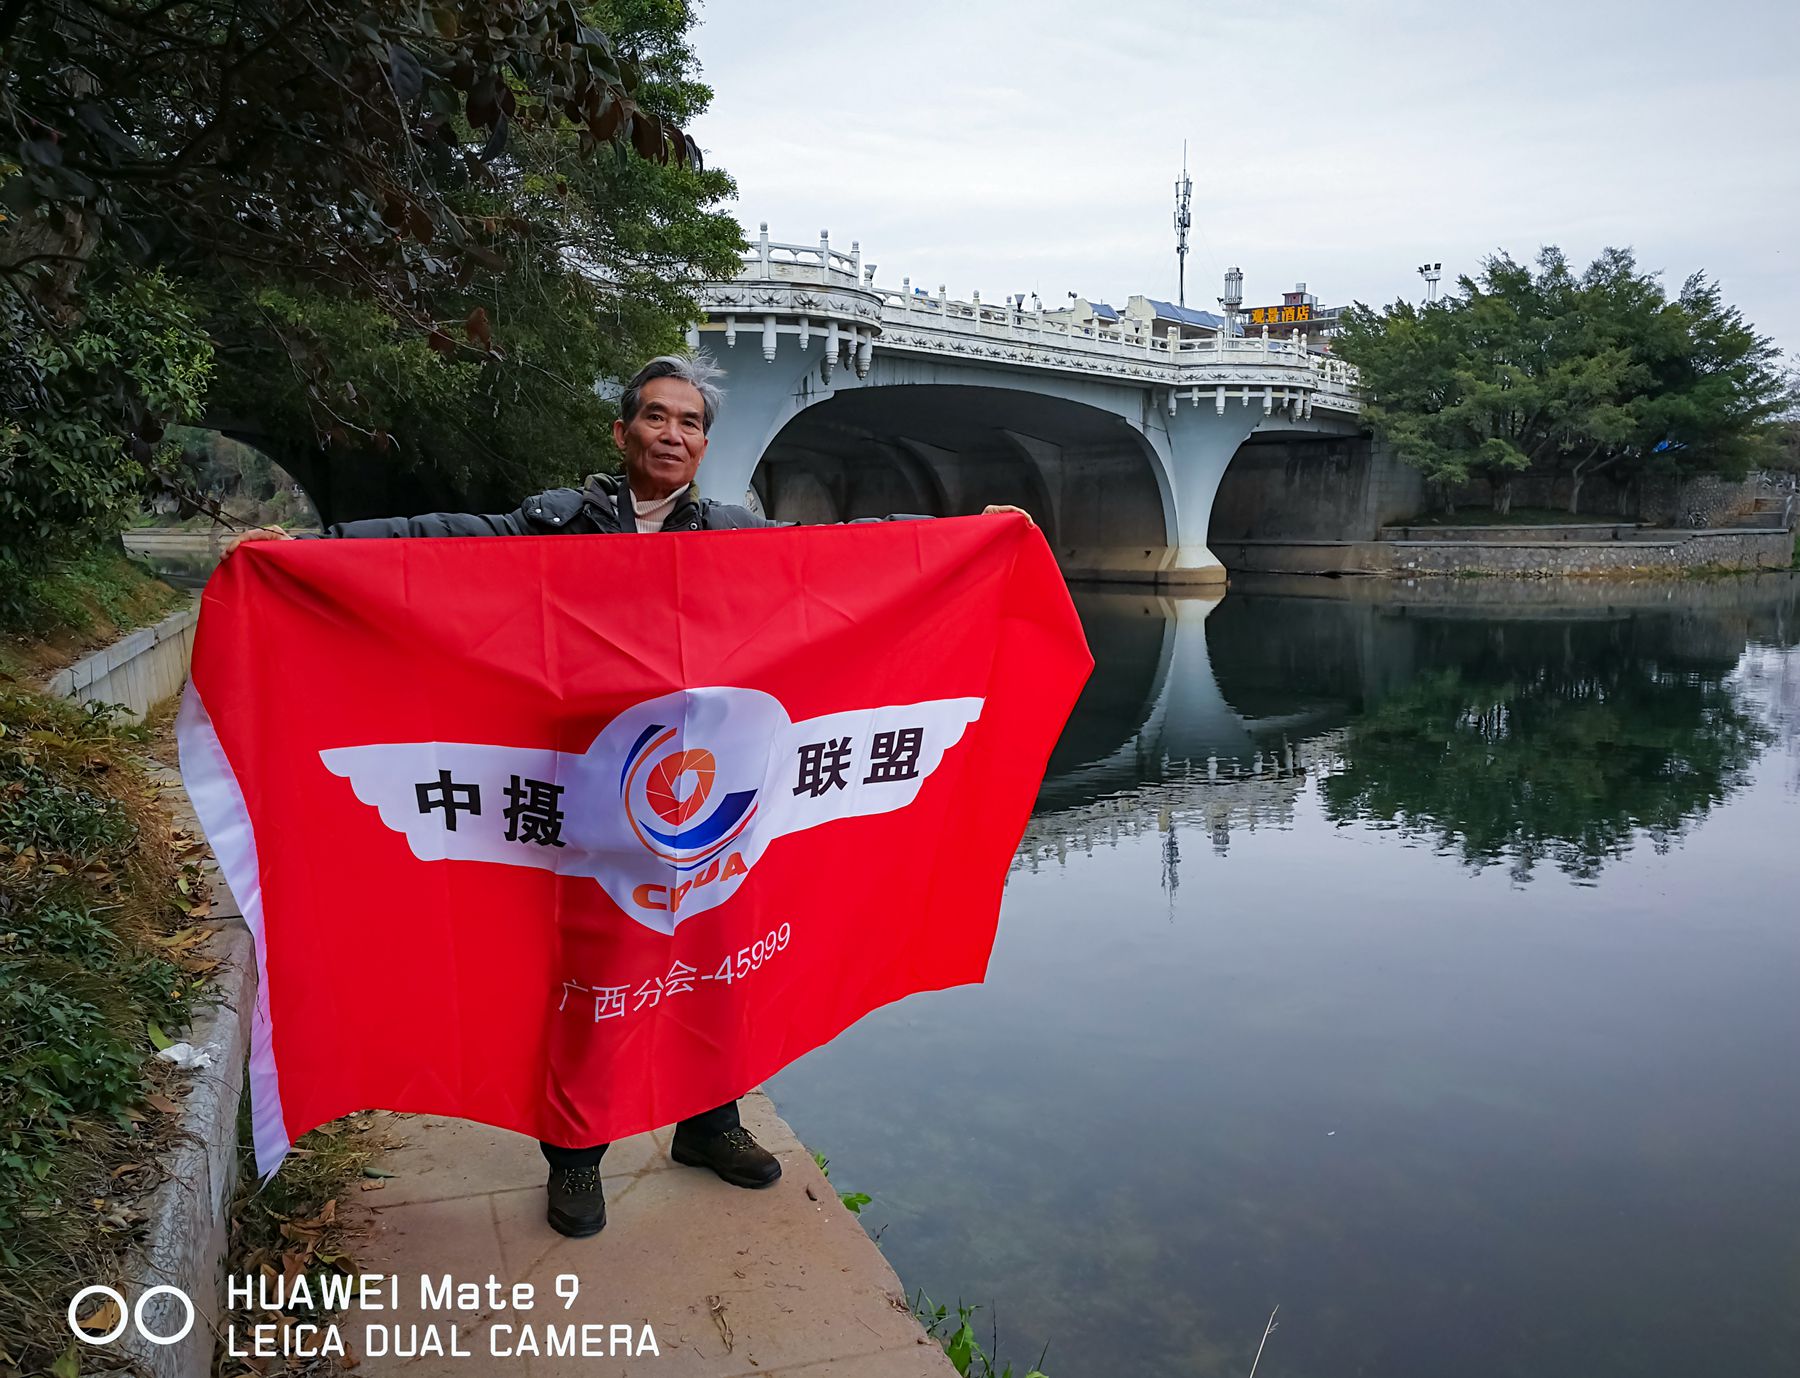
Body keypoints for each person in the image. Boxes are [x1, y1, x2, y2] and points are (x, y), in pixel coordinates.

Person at [226, 353, 1031, 1237]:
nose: (673, 435)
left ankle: (710, 1124)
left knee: (721, 965)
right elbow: (440, 542)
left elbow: (846, 556)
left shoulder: (729, 534)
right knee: (590, 983)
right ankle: (576, 1158)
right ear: (622, 432)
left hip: (716, 808)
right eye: (657, 418)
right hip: (592, 806)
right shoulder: (558, 524)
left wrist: (968, 532)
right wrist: (316, 549)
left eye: (690, 424)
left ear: (703, 444)